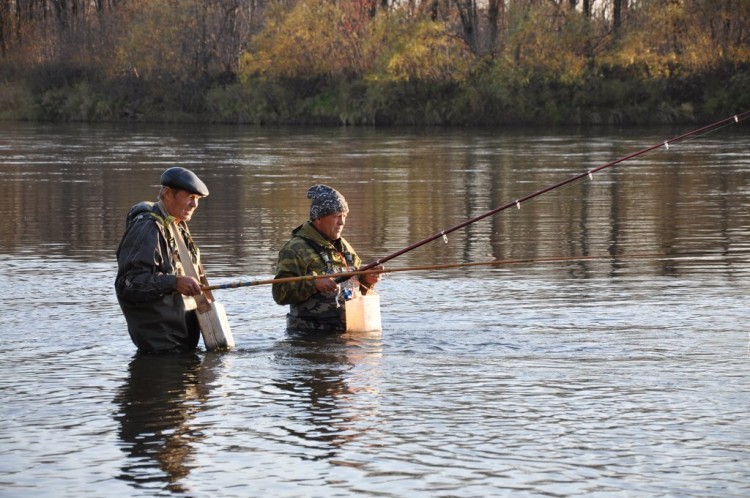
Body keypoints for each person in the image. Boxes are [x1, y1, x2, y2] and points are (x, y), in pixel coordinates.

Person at [115, 167, 209, 354]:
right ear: (167, 193)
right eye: (190, 197)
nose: (195, 205)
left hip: (182, 346)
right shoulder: (147, 228)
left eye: (197, 199)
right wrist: (174, 282)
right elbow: (129, 285)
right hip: (160, 351)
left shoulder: (178, 226)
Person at [272, 185, 382, 333]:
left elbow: (357, 290)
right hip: (309, 339)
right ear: (318, 217)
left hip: (349, 338)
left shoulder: (346, 248)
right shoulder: (295, 249)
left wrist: (367, 280)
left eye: (344, 216)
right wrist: (313, 283)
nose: (342, 222)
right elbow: (280, 293)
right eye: (337, 216)